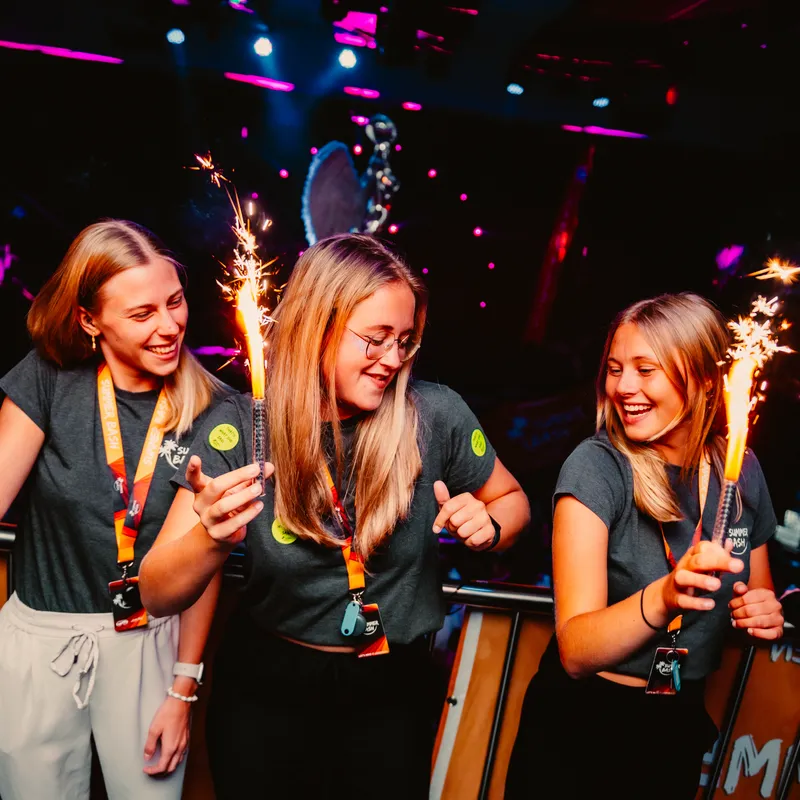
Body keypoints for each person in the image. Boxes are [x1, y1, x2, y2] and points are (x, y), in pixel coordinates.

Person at [139, 233, 531, 799]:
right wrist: (211, 538)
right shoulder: (242, 425)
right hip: (268, 690)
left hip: (390, 695)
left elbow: (513, 501)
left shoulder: (436, 414)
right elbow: (156, 592)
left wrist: (489, 525)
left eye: (405, 342)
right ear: (317, 326)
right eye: (375, 339)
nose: (392, 360)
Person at [505, 293, 784, 800]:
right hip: (583, 727)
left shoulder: (741, 470)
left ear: (704, 379)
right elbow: (575, 651)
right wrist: (664, 596)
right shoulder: (596, 467)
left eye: (645, 370)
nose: (624, 387)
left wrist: (763, 613)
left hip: (676, 722)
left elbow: (756, 596)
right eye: (615, 369)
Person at [0, 220, 230, 800]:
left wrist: (182, 690)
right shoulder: (48, 377)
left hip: (149, 641)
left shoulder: (215, 410)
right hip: (40, 638)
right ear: (89, 320)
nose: (168, 326)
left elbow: (205, 564)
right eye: (142, 313)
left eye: (174, 302)